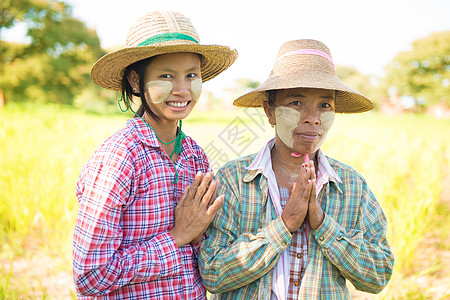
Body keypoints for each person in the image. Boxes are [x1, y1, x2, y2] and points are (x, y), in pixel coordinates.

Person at [198, 39, 394, 299]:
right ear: (270, 112)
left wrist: (322, 224)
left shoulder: (351, 186)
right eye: (296, 103)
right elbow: (212, 272)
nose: (312, 117)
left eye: (325, 105)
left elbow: (379, 275)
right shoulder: (234, 180)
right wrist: (284, 225)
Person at [72, 11, 237, 299]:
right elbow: (90, 275)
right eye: (166, 76)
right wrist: (178, 237)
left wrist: (198, 235)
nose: (183, 89)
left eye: (191, 75)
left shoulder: (195, 155)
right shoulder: (120, 156)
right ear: (136, 81)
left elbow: (202, 249)